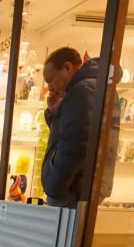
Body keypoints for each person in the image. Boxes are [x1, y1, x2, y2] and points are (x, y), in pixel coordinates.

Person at [41, 47, 99, 208]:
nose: (50, 88)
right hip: (74, 189)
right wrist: (55, 112)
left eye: (51, 79)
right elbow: (68, 136)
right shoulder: (88, 89)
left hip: (71, 191)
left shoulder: (82, 91)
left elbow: (76, 145)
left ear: (67, 68)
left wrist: (55, 188)